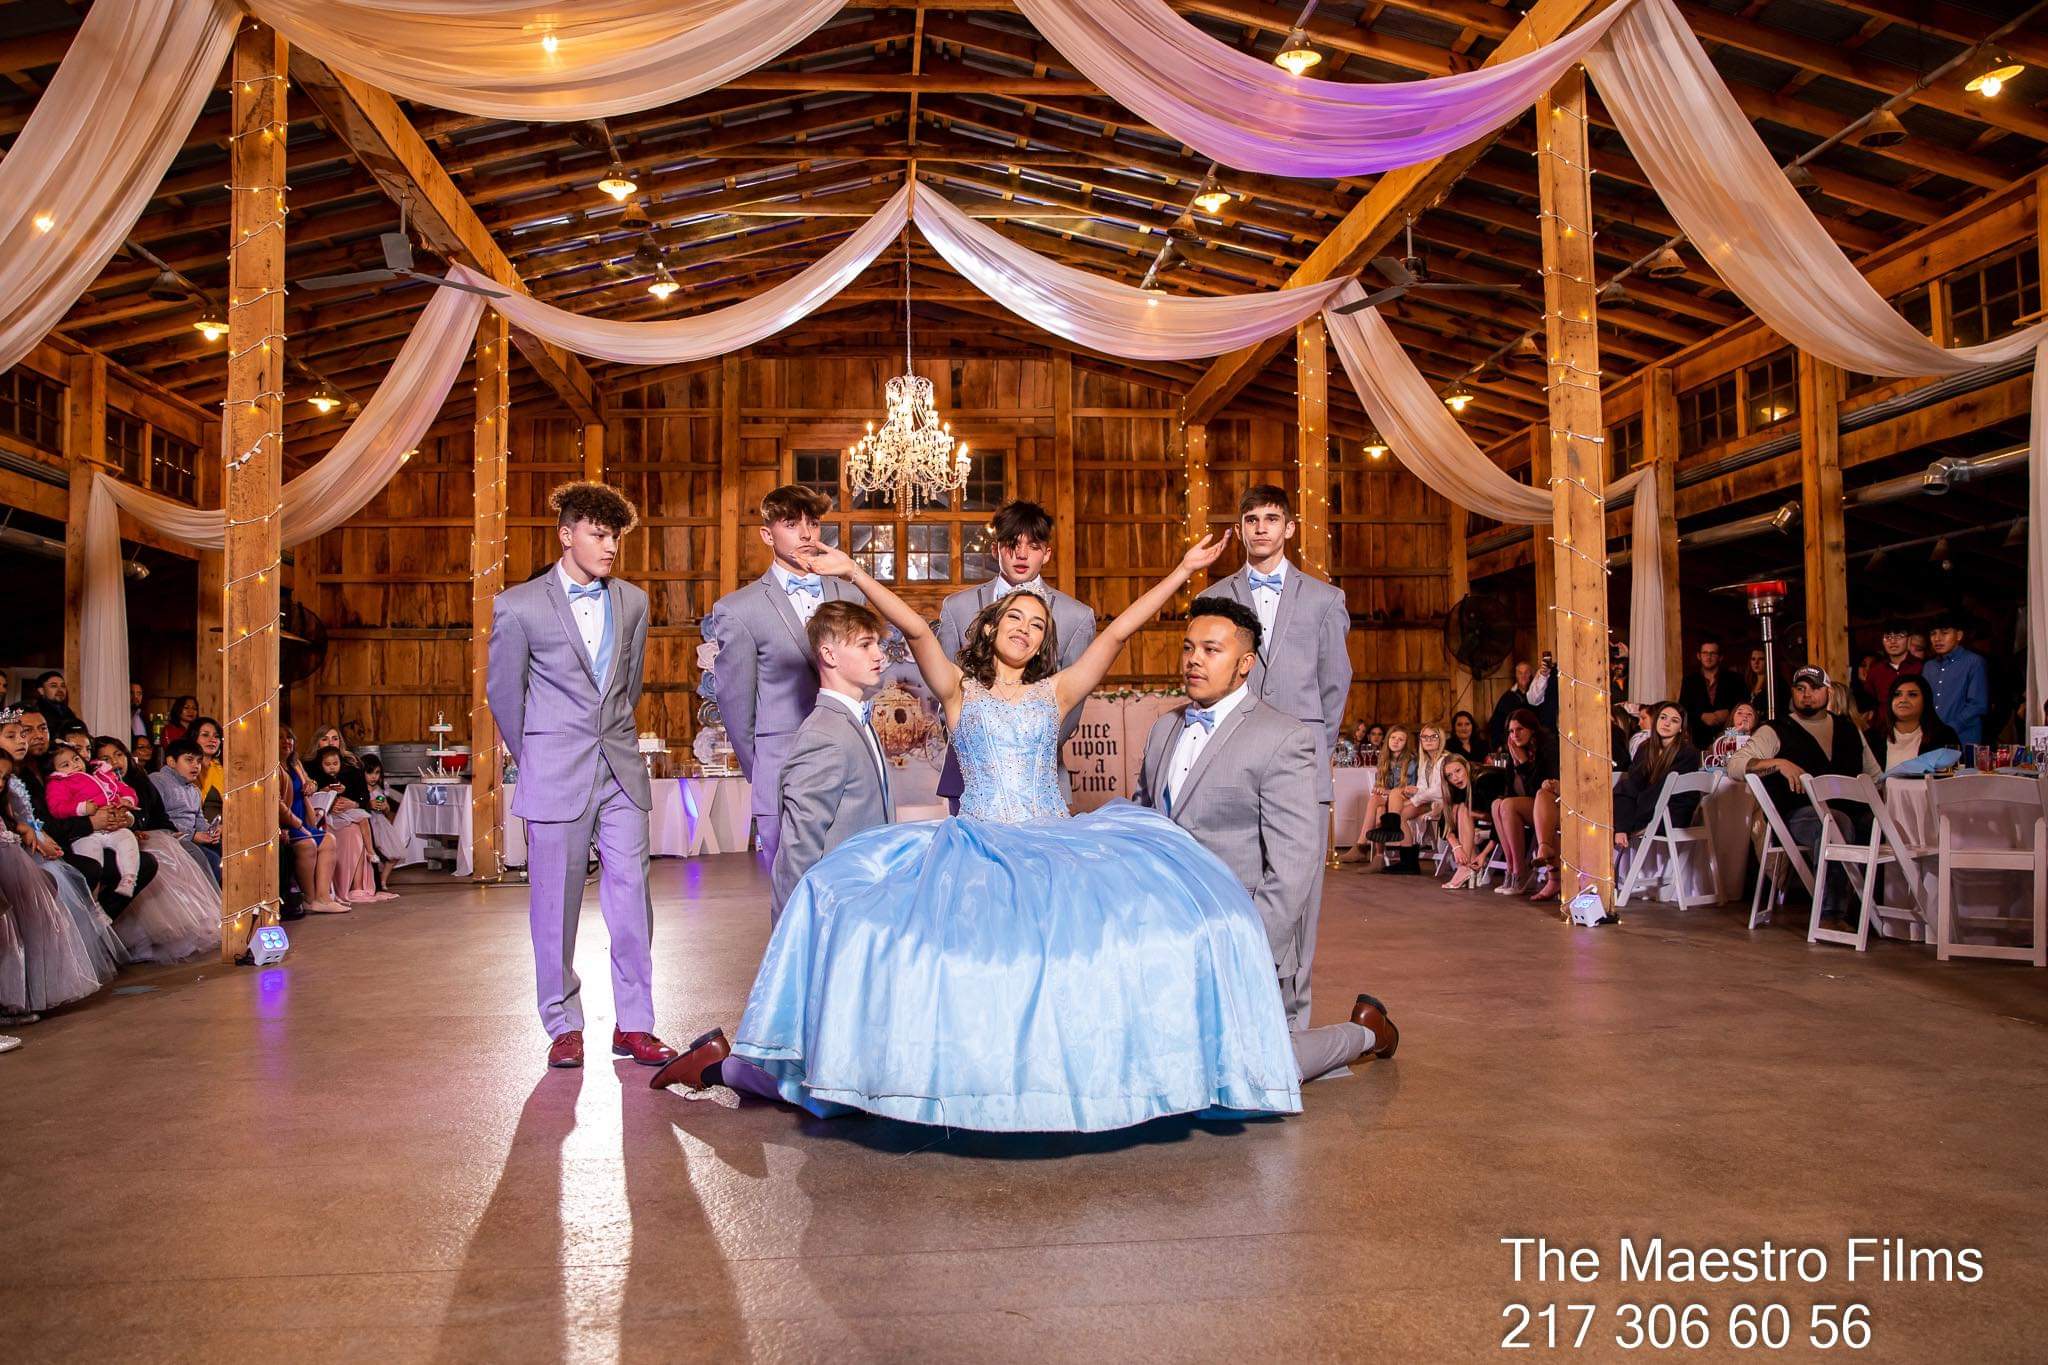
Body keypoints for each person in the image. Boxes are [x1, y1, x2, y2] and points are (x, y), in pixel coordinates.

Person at [658, 529, 1307, 1132]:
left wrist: (1182, 571)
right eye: (1016, 616)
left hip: (1056, 845)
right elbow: (913, 627)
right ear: (992, 624)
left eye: (1038, 623)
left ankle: (1074, 1089)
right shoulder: (958, 690)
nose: (1026, 627)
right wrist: (855, 570)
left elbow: (1120, 632)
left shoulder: (1056, 691)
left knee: (1068, 972)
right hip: (976, 848)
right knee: (968, 977)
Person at [1132, 597, 1395, 1082]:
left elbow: (1294, 865)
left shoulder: (1283, 737)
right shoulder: (1164, 728)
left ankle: (1368, 1033)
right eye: (1188, 647)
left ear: (1245, 665)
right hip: (1165, 932)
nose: (1193, 659)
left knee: (1254, 1071)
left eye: (1211, 649)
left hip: (1239, 933)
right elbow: (1144, 822)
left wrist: (1248, 947)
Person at [486, 481, 677, 1073]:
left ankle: (636, 1024)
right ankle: (563, 1024)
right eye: (598, 534)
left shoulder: (634, 603)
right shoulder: (517, 606)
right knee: (554, 905)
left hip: (620, 768)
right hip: (554, 771)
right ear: (566, 535)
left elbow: (630, 683)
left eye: (615, 535)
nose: (610, 545)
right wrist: (538, 755)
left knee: (631, 900)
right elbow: (503, 695)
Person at [1204, 485, 1352, 1027]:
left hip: (1301, 770)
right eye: (1250, 519)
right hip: (1231, 769)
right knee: (1233, 887)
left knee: (1300, 901)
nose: (1261, 528)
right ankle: (1237, 1018)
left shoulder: (1323, 600)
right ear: (1240, 529)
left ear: (1290, 527)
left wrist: (1310, 754)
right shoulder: (1216, 596)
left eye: (1272, 518)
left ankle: (1293, 1028)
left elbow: (1334, 687)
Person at [709, 484, 869, 867]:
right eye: (791, 523)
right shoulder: (738, 609)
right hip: (781, 768)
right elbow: (735, 707)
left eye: (812, 523)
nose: (806, 534)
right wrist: (765, 765)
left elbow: (868, 684)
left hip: (850, 766)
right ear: (767, 534)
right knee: (790, 892)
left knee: (851, 885)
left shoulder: (853, 596)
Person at [935, 500, 1095, 813]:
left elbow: (1073, 706)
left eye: (1033, 546)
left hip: (1040, 780)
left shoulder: (1076, 616)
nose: (1021, 555)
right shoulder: (957, 607)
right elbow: (943, 688)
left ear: (1047, 553)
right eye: (1012, 544)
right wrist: (973, 742)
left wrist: (1024, 750)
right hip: (970, 775)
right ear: (996, 549)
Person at [1725, 666, 1881, 925]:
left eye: (1815, 688)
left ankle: (1870, 910)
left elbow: (1874, 776)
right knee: (1835, 822)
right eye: (1801, 689)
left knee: (1875, 823)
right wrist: (1777, 763)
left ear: (1828, 692)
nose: (1807, 695)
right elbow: (1736, 765)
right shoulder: (1776, 729)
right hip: (1798, 813)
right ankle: (1830, 914)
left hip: (1849, 808)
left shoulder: (1848, 728)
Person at [769, 602, 893, 917]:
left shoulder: (855, 721)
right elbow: (798, 849)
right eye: (865, 645)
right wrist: (794, 934)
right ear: (829, 655)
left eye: (877, 644)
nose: (879, 655)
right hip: (835, 911)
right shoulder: (823, 736)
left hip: (867, 906)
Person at [88, 736, 216, 963]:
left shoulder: (141, 780)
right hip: (121, 839)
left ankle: (184, 927)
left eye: (118, 755)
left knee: (177, 851)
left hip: (153, 834)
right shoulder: (99, 786)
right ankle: (140, 939)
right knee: (160, 858)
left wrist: (171, 832)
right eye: (106, 758)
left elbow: (160, 815)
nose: (116, 762)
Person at [42, 742, 146, 913]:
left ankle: (129, 877)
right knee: (93, 863)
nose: (74, 765)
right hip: (87, 833)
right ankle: (94, 903)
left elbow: (122, 788)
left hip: (113, 826)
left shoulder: (99, 773)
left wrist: (127, 801)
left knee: (128, 840)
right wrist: (82, 808)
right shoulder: (58, 783)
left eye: (76, 759)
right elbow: (57, 807)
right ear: (56, 770)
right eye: (65, 765)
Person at [1489, 708, 1560, 900]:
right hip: (1532, 802)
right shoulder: (1516, 750)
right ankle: (1512, 869)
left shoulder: (1548, 747)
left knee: (1508, 805)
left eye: (1519, 729)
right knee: (1498, 804)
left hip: (1552, 804)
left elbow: (1541, 789)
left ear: (1532, 729)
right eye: (1511, 731)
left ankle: (1521, 871)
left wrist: (1523, 764)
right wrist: (1517, 762)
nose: (1515, 735)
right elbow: (1512, 791)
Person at [1611, 702, 1702, 850]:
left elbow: (1665, 790)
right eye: (1663, 717)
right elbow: (1633, 785)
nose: (1666, 723)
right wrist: (1623, 824)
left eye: (1674, 721)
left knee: (1632, 797)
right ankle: (1622, 830)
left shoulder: (1688, 753)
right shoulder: (1645, 748)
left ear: (1681, 728)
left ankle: (1626, 827)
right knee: (1624, 789)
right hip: (1647, 807)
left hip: (1670, 813)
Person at [277, 728, 347, 916]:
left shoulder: (295, 763)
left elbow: (310, 782)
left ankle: (323, 897)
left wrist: (311, 785)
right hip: (287, 823)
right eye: (281, 738)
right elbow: (278, 803)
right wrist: (297, 825)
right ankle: (309, 898)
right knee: (307, 844)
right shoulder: (273, 768)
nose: (286, 741)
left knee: (329, 840)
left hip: (303, 817)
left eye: (289, 737)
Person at [312, 744, 388, 903]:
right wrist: (327, 792)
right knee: (351, 827)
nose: (332, 768)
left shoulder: (350, 771)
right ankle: (339, 886)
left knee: (361, 820)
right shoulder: (315, 775)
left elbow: (362, 797)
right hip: (327, 815)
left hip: (347, 812)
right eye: (328, 765)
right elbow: (316, 796)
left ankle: (368, 855)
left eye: (335, 764)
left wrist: (349, 798)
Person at [1341, 725, 1417, 867]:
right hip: (1389, 800)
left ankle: (1363, 846)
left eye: (1401, 739)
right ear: (1388, 740)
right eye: (1393, 738)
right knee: (1378, 805)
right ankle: (1376, 856)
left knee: (1378, 802)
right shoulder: (1384, 759)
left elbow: (1408, 790)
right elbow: (1381, 784)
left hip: (1405, 801)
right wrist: (1380, 788)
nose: (1396, 741)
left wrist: (1387, 791)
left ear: (1406, 743)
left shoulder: (1411, 761)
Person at [150, 739, 222, 882]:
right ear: (171, 762)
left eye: (199, 761)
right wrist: (193, 835)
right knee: (212, 860)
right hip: (167, 839)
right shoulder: (157, 780)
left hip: (190, 838)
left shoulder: (194, 790)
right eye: (189, 760)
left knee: (226, 849)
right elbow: (159, 818)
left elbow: (199, 819)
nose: (196, 765)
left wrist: (210, 831)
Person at [1921, 611, 1989, 744]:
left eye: (1944, 633)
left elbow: (1978, 705)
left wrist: (1949, 728)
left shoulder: (1973, 662)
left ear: (1958, 635)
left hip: (1963, 737)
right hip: (1931, 737)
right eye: (1933, 633)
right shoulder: (1929, 666)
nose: (1937, 639)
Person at [1872, 675, 1960, 773]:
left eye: (1912, 695)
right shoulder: (1874, 736)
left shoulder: (1944, 735)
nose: (1903, 700)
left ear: (1925, 700)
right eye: (1897, 694)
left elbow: (1952, 780)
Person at [1678, 639, 1745, 748]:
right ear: (1699, 656)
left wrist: (1729, 713)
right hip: (1698, 738)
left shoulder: (1735, 679)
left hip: (1730, 734)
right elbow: (1683, 708)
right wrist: (1701, 716)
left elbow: (1744, 703)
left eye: (1713, 653)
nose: (1708, 657)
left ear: (1720, 657)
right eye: (1705, 653)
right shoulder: (1689, 680)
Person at [1436, 755, 1487, 889]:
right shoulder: (1455, 789)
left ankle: (1465, 868)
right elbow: (1444, 823)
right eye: (1449, 775)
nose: (1455, 778)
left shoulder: (1481, 780)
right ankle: (1469, 866)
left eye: (1458, 771)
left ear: (1467, 767)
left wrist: (1484, 853)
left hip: (1500, 823)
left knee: (1463, 810)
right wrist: (1456, 847)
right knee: (1456, 809)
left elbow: (1500, 817)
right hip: (1475, 829)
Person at [1864, 623, 1922, 729]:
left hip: (1916, 729)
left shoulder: (1921, 667)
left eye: (1898, 636)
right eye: (1888, 637)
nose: (1892, 641)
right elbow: (1869, 703)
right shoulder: (1875, 671)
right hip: (1883, 730)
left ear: (1909, 640)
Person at [1488, 662, 1535, 751]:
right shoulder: (1508, 697)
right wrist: (1499, 745)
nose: (1523, 676)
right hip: (1512, 742)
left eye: (1526, 672)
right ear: (1516, 675)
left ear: (1530, 674)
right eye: (1520, 673)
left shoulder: (1536, 696)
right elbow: (1496, 722)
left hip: (1532, 743)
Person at [29, 672, 83, 740]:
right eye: (54, 686)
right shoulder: (34, 712)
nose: (60, 690)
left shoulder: (68, 712)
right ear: (41, 691)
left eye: (63, 686)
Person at [1705, 701, 1757, 767]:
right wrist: (1736, 732)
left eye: (1749, 714)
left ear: (1755, 721)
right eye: (1740, 713)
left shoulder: (1759, 739)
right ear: (1733, 718)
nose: (1744, 716)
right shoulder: (1722, 741)